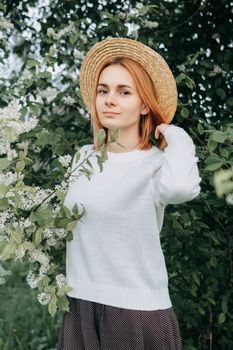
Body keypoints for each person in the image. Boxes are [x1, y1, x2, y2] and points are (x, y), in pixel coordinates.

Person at [57, 37, 202, 350]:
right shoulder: (83, 156)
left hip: (134, 311)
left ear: (145, 104)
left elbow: (182, 188)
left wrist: (173, 134)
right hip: (80, 303)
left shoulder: (155, 163)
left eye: (124, 92)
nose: (110, 100)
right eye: (103, 90)